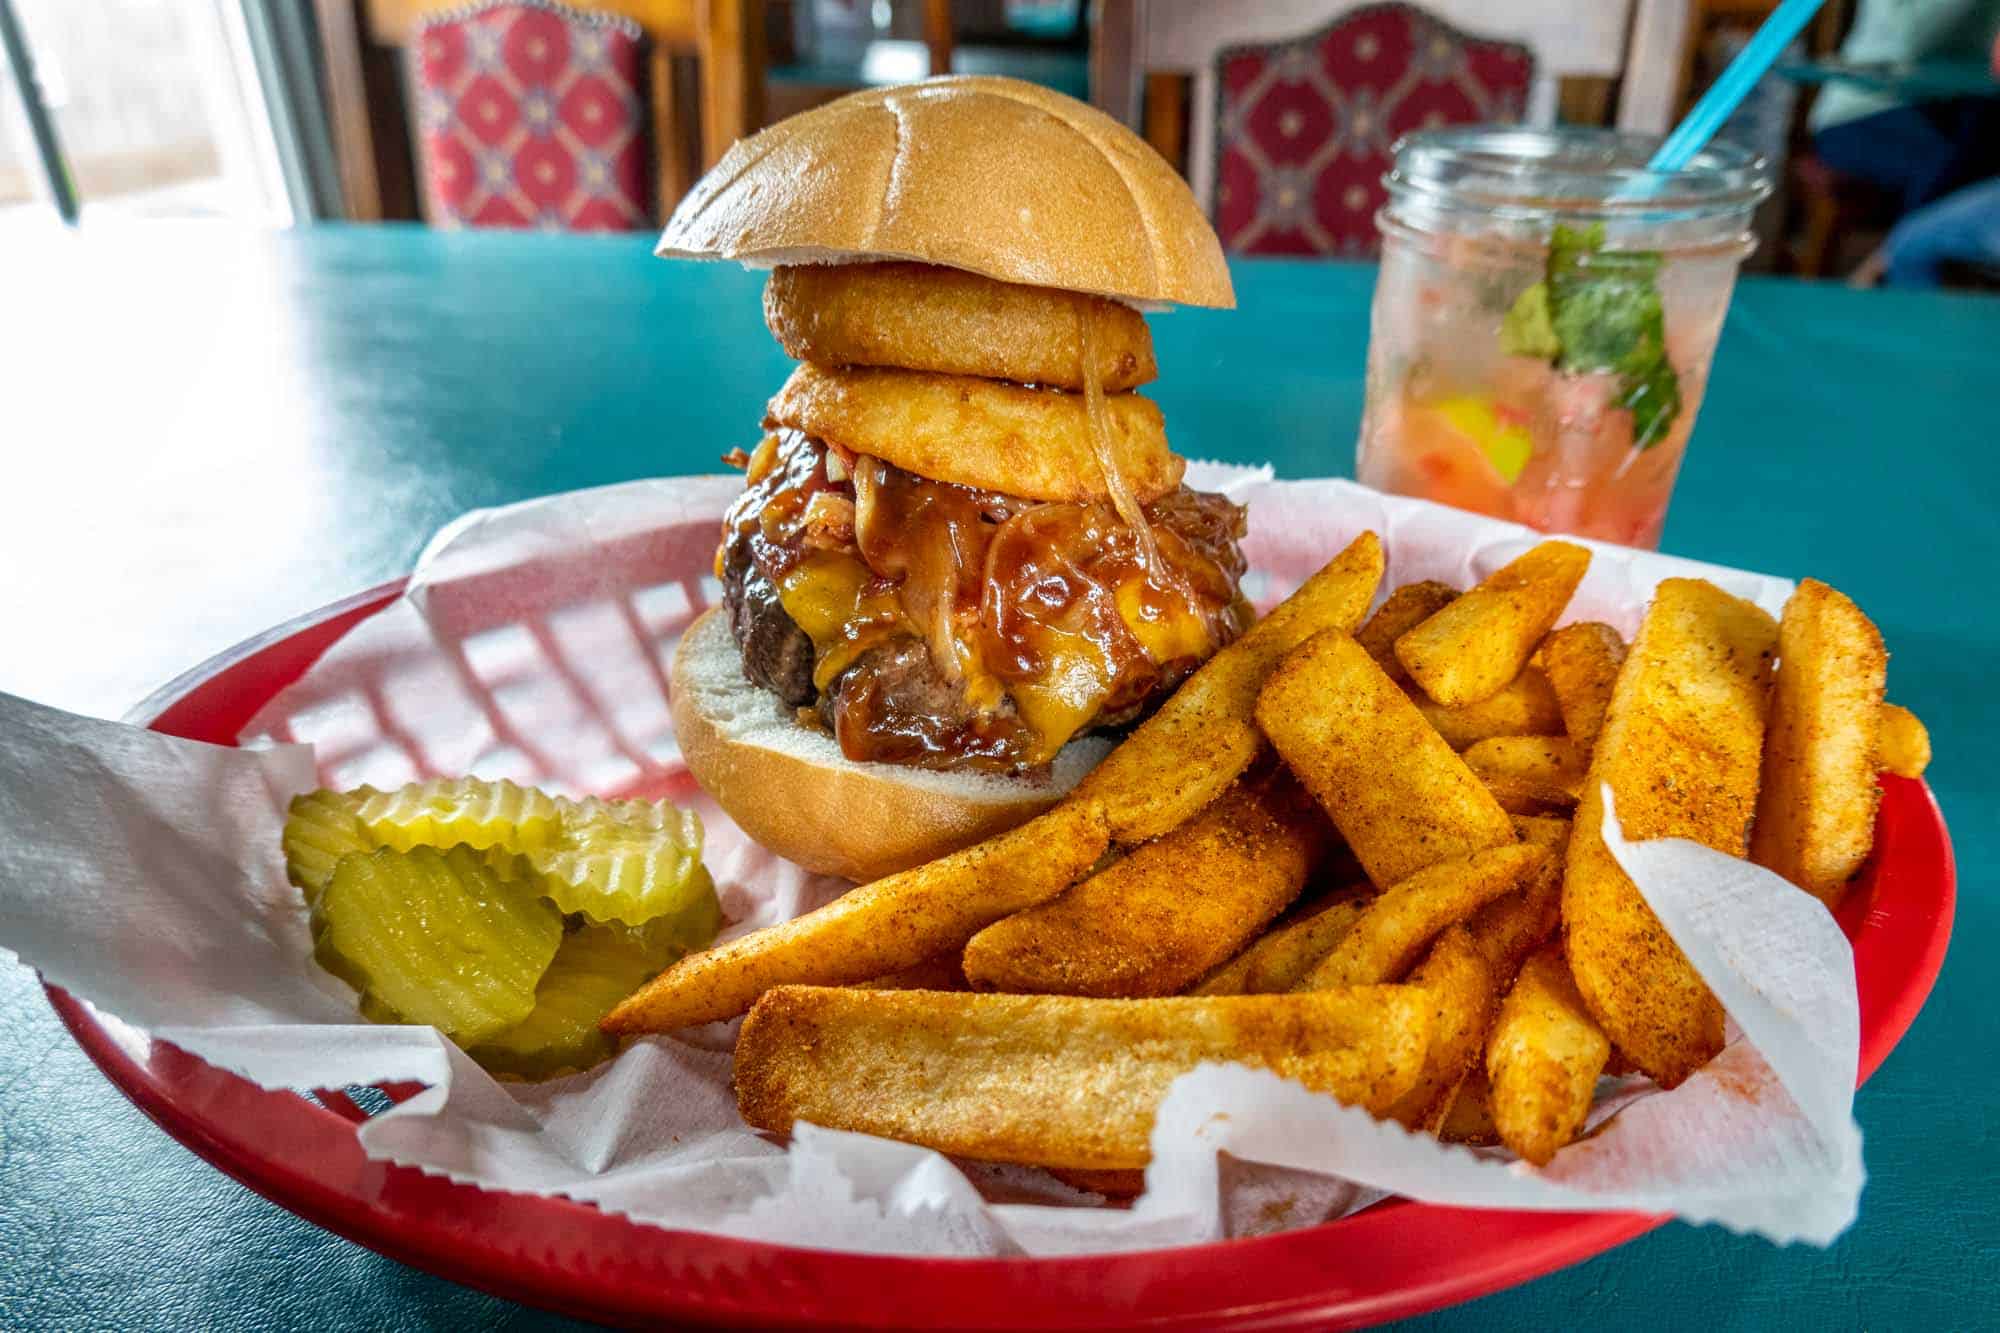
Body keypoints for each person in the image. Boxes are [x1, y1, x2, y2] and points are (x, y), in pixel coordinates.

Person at [1810, 0, 2000, 213]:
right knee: (1955, 160)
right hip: (1864, 112)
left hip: (1961, 107)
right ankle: (1918, 243)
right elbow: (1912, 39)